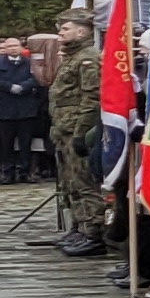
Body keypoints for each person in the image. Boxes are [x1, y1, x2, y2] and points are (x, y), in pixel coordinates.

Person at [48, 17, 102, 247]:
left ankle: (94, 230)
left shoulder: (87, 57)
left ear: (81, 32)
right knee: (69, 181)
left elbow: (91, 97)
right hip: (63, 128)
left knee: (83, 180)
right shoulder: (72, 57)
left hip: (76, 129)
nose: (61, 32)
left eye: (66, 28)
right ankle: (79, 226)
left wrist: (81, 132)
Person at [0, 38, 45, 183]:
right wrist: (10, 87)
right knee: (6, 143)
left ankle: (25, 172)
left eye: (15, 45)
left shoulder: (29, 62)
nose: (13, 48)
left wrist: (23, 87)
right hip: (5, 108)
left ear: (21, 47)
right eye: (9, 46)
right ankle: (8, 172)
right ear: (5, 49)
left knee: (26, 143)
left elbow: (36, 77)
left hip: (26, 107)